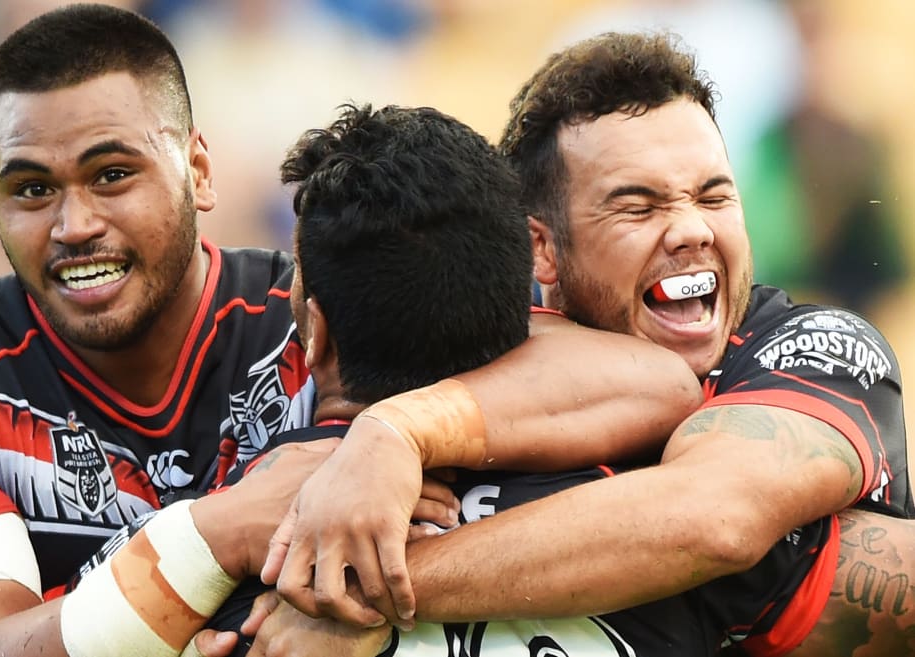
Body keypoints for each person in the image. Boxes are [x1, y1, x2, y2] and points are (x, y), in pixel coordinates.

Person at [0, 7, 705, 657]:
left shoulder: (318, 302)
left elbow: (645, 381)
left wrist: (392, 434)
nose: (73, 224)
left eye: (112, 174)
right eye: (32, 189)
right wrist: (213, 534)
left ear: (197, 170)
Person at [261, 30, 913, 656]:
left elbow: (713, 519)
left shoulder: (815, 345)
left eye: (714, 197)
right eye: (638, 207)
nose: (691, 228)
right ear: (541, 246)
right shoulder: (473, 343)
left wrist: (359, 593)